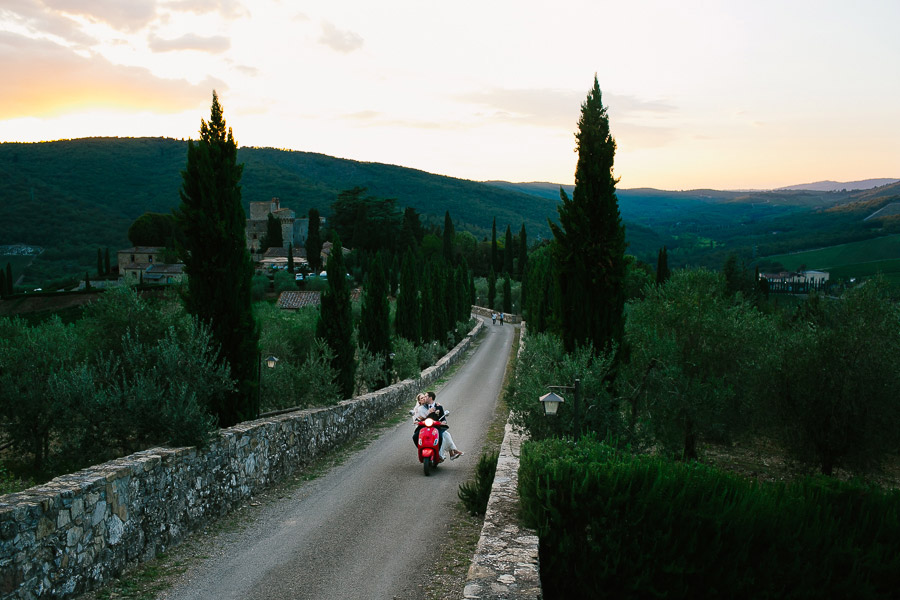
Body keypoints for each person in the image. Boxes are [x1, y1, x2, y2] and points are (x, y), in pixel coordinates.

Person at [425, 391, 464, 459]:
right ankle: (452, 452)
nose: (424, 398)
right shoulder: (424, 406)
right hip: (425, 427)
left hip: (436, 427)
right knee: (445, 435)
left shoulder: (439, 407)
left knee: (442, 436)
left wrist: (443, 422)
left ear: (430, 398)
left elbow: (443, 418)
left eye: (426, 396)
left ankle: (441, 454)